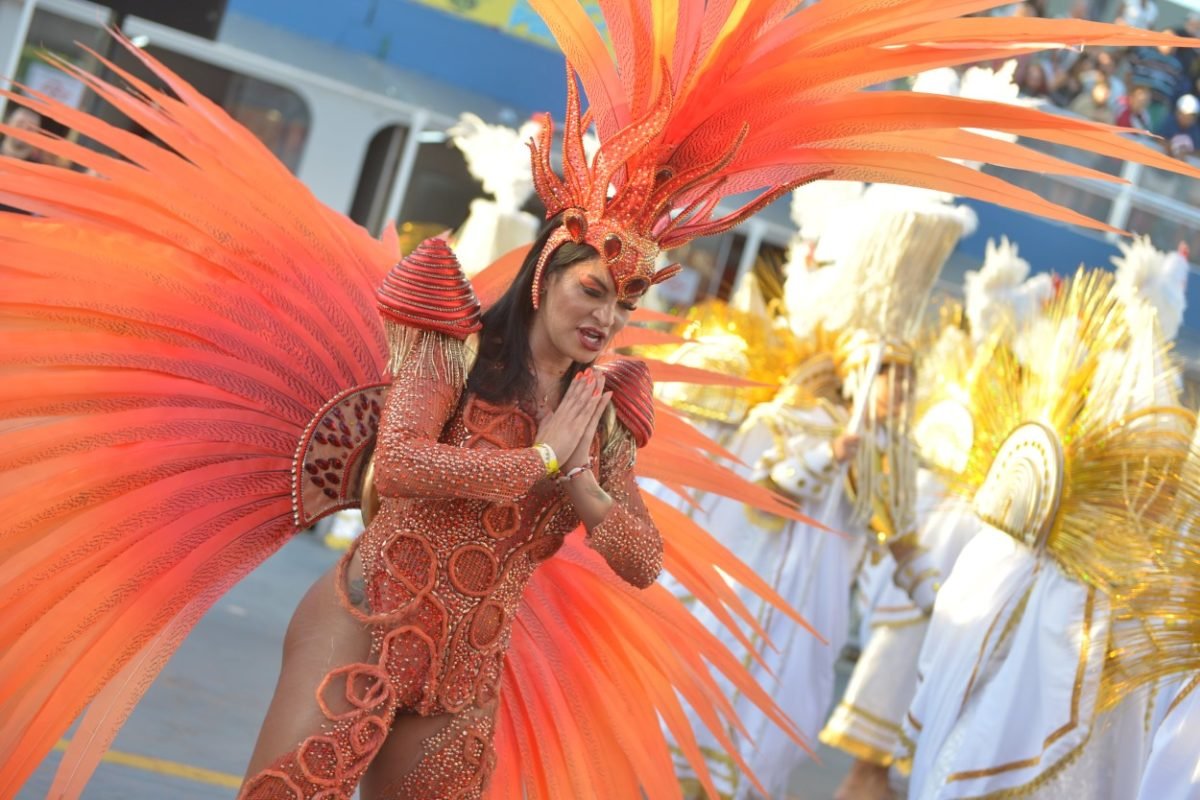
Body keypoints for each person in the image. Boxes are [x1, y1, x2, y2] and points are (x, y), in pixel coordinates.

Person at [4, 5, 1200, 800]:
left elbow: (643, 557)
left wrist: (581, 477)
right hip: (367, 623)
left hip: (469, 674)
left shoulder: (603, 406)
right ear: (546, 271)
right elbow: (406, 467)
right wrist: (535, 468)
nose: (605, 315)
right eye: (591, 288)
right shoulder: (444, 342)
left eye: (622, 303)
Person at [1159, 93, 1200, 159]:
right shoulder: (1169, 122)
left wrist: (1186, 154)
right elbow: (1158, 138)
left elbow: (1198, 152)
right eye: (1183, 114)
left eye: (1190, 116)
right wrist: (1170, 147)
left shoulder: (1196, 131)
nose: (1186, 118)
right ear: (1177, 113)